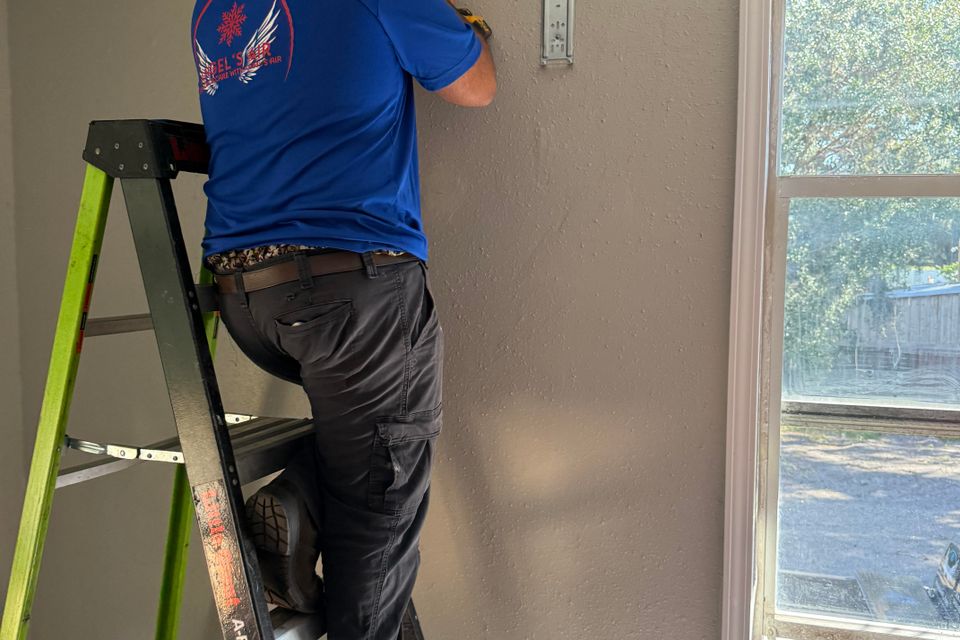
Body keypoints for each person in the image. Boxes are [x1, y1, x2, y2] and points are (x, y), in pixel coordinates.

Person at [189, 0, 496, 638]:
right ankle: (300, 509)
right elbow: (476, 86)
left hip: (245, 298)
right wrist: (463, 26)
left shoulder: (213, 6)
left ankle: (296, 504)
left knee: (370, 451)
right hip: (347, 292)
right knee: (375, 510)